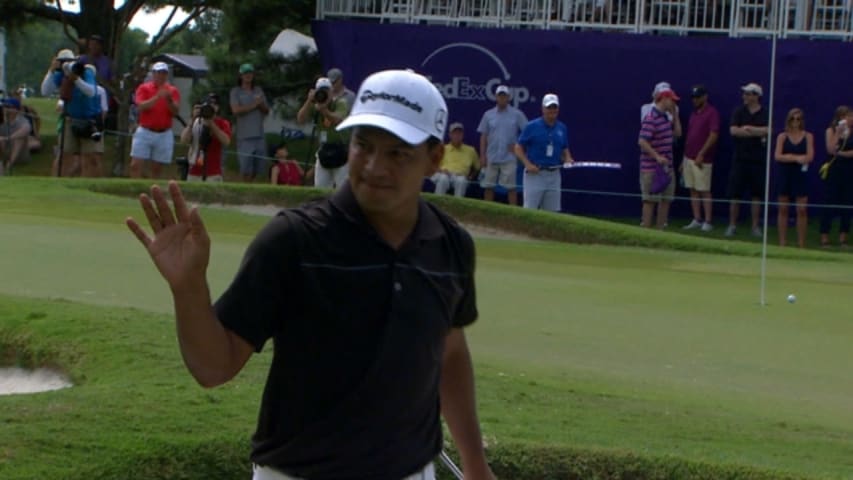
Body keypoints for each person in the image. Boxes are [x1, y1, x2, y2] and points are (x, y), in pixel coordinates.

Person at [125, 68, 495, 480]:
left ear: (434, 158)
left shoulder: (450, 246)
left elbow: (450, 349)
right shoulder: (294, 240)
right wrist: (189, 288)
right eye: (363, 145)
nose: (374, 167)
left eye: (397, 153)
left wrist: (475, 462)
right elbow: (214, 367)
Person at [41, 49, 103, 178]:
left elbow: (91, 92)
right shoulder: (60, 75)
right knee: (64, 155)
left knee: (89, 157)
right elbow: (45, 91)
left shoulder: (86, 71)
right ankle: (57, 185)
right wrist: (51, 71)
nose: (67, 65)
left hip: (90, 120)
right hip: (70, 119)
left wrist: (75, 79)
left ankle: (88, 186)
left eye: (70, 62)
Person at [515, 93, 575, 212]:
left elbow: (564, 148)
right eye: (549, 107)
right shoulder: (532, 126)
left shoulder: (562, 128)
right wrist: (527, 164)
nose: (552, 110)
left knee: (552, 212)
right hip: (535, 174)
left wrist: (568, 158)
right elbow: (518, 147)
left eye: (554, 107)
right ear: (543, 109)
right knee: (530, 210)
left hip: (554, 174)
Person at [725, 82, 769, 238]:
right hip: (740, 159)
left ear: (756, 96)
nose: (745, 96)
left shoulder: (764, 113)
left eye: (748, 94)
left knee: (756, 194)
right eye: (744, 94)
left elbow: (768, 130)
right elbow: (734, 131)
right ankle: (732, 225)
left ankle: (755, 226)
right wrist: (755, 132)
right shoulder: (739, 112)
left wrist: (749, 129)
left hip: (758, 160)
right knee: (735, 194)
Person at [297, 76, 351, 189]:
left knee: (342, 189)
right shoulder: (315, 105)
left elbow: (338, 120)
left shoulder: (340, 102)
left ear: (331, 91)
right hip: (323, 151)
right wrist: (309, 101)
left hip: (340, 151)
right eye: (321, 90)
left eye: (326, 90)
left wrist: (324, 110)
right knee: (320, 189)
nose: (324, 93)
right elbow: (300, 119)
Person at [477, 84, 527, 205]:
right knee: (489, 186)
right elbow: (483, 136)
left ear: (508, 97)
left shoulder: (517, 114)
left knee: (511, 188)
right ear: (496, 97)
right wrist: (483, 156)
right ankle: (487, 211)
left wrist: (517, 147)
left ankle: (512, 213)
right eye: (500, 96)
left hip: (509, 157)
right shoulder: (488, 115)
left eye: (504, 96)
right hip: (491, 156)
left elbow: (527, 132)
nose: (502, 98)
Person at [129, 62, 180, 179]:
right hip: (145, 130)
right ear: (153, 74)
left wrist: (169, 100)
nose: (161, 76)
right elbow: (141, 106)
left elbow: (175, 112)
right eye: (158, 73)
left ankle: (153, 191)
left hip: (164, 132)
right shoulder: (144, 88)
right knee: (135, 164)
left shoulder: (172, 91)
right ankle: (135, 189)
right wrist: (157, 97)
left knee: (157, 168)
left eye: (164, 73)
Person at [638, 87, 680, 228]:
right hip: (651, 169)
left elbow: (678, 134)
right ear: (664, 99)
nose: (674, 103)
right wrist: (656, 156)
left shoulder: (666, 118)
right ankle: (646, 233)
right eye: (672, 100)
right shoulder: (651, 118)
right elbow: (642, 141)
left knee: (666, 200)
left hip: (667, 167)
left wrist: (674, 113)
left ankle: (660, 231)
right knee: (650, 201)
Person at [773, 108, 814, 248]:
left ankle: (801, 243)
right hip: (785, 174)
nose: (795, 122)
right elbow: (778, 156)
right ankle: (782, 242)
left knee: (801, 209)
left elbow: (810, 156)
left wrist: (792, 158)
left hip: (800, 175)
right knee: (783, 208)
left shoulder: (808, 136)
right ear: (788, 120)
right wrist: (795, 158)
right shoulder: (782, 137)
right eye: (793, 119)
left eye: (798, 119)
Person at [682, 85, 720, 232]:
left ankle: (708, 220)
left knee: (704, 190)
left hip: (702, 159)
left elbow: (713, 135)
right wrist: (684, 159)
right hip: (689, 157)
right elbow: (689, 136)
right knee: (692, 189)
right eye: (693, 97)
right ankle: (697, 218)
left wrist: (702, 153)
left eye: (698, 97)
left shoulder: (712, 113)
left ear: (705, 97)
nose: (695, 100)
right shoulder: (694, 115)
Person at [819, 106, 853, 248]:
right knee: (829, 201)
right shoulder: (831, 130)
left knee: (847, 202)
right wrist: (838, 133)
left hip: (849, 169)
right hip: (834, 169)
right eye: (847, 116)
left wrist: (842, 154)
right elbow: (830, 149)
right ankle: (824, 237)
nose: (850, 119)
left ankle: (843, 237)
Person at [230, 63, 270, 182]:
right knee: (245, 168)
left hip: (259, 135)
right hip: (244, 136)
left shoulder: (258, 90)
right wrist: (254, 104)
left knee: (258, 167)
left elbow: (266, 110)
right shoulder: (236, 92)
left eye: (250, 73)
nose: (248, 75)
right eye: (245, 73)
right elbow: (236, 110)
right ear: (241, 75)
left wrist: (260, 104)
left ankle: (252, 186)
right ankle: (245, 187)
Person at [180, 93, 232, 183]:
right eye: (209, 103)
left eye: (215, 104)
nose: (212, 106)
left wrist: (211, 123)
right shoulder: (196, 122)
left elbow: (226, 141)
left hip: (213, 173)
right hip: (194, 171)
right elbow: (184, 140)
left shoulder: (223, 123)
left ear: (218, 107)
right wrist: (193, 119)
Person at [431, 122, 480, 197]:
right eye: (454, 133)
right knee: (443, 179)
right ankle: (437, 204)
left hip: (460, 176)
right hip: (444, 174)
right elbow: (433, 164)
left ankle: (457, 206)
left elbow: (477, 167)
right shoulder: (443, 148)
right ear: (450, 135)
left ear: (462, 135)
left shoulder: (471, 150)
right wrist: (441, 170)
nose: (457, 136)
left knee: (461, 181)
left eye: (459, 133)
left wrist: (470, 177)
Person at [0, 99, 32, 175]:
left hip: (20, 156)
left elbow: (26, 129)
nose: (4, 108)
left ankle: (9, 165)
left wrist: (8, 138)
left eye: (7, 106)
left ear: (15, 109)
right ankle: (2, 163)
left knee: (20, 138)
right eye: (4, 106)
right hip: (5, 152)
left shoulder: (22, 120)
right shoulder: (2, 120)